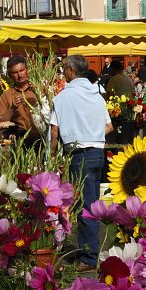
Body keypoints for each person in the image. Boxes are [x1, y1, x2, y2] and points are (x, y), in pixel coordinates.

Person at [50, 55, 113, 270]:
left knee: (84, 206)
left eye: (63, 69)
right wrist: (92, 133)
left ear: (70, 70)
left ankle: (89, 257)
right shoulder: (97, 94)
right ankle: (90, 252)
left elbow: (54, 131)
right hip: (97, 151)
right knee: (92, 204)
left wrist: (53, 156)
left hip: (79, 153)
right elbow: (109, 127)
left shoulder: (63, 97)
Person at [0, 55, 42, 148]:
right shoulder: (7, 95)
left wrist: (40, 94)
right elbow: (0, 122)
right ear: (10, 75)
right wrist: (12, 109)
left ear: (27, 70)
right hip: (19, 140)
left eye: (22, 70)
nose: (20, 75)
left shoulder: (38, 90)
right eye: (15, 72)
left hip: (41, 138)